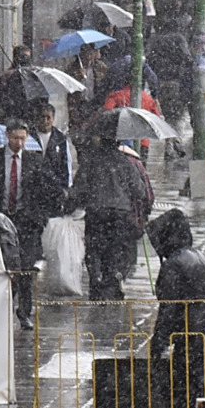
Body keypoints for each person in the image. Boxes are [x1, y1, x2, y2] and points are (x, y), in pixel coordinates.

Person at [0, 119, 63, 330]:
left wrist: (40, 217)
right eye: (16, 138)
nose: (20, 143)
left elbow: (49, 191)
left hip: (27, 224)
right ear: (7, 136)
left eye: (23, 138)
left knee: (25, 269)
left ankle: (24, 311)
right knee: (2, 268)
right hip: (0, 221)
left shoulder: (36, 162)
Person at [147, 208, 205, 408]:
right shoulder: (199, 256)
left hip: (188, 336)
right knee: (200, 387)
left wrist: (159, 341)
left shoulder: (173, 264)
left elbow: (169, 310)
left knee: (184, 392)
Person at [65, 109, 154, 301]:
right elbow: (139, 191)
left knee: (94, 248)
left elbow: (79, 189)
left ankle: (96, 278)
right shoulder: (126, 163)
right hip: (120, 213)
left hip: (96, 211)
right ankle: (112, 279)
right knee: (115, 248)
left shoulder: (91, 162)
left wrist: (72, 202)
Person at [33, 101, 75, 191]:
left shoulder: (60, 139)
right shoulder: (29, 136)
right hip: (33, 186)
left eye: (48, 117)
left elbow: (66, 163)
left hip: (54, 187)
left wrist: (66, 186)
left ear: (53, 119)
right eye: (42, 117)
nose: (45, 121)